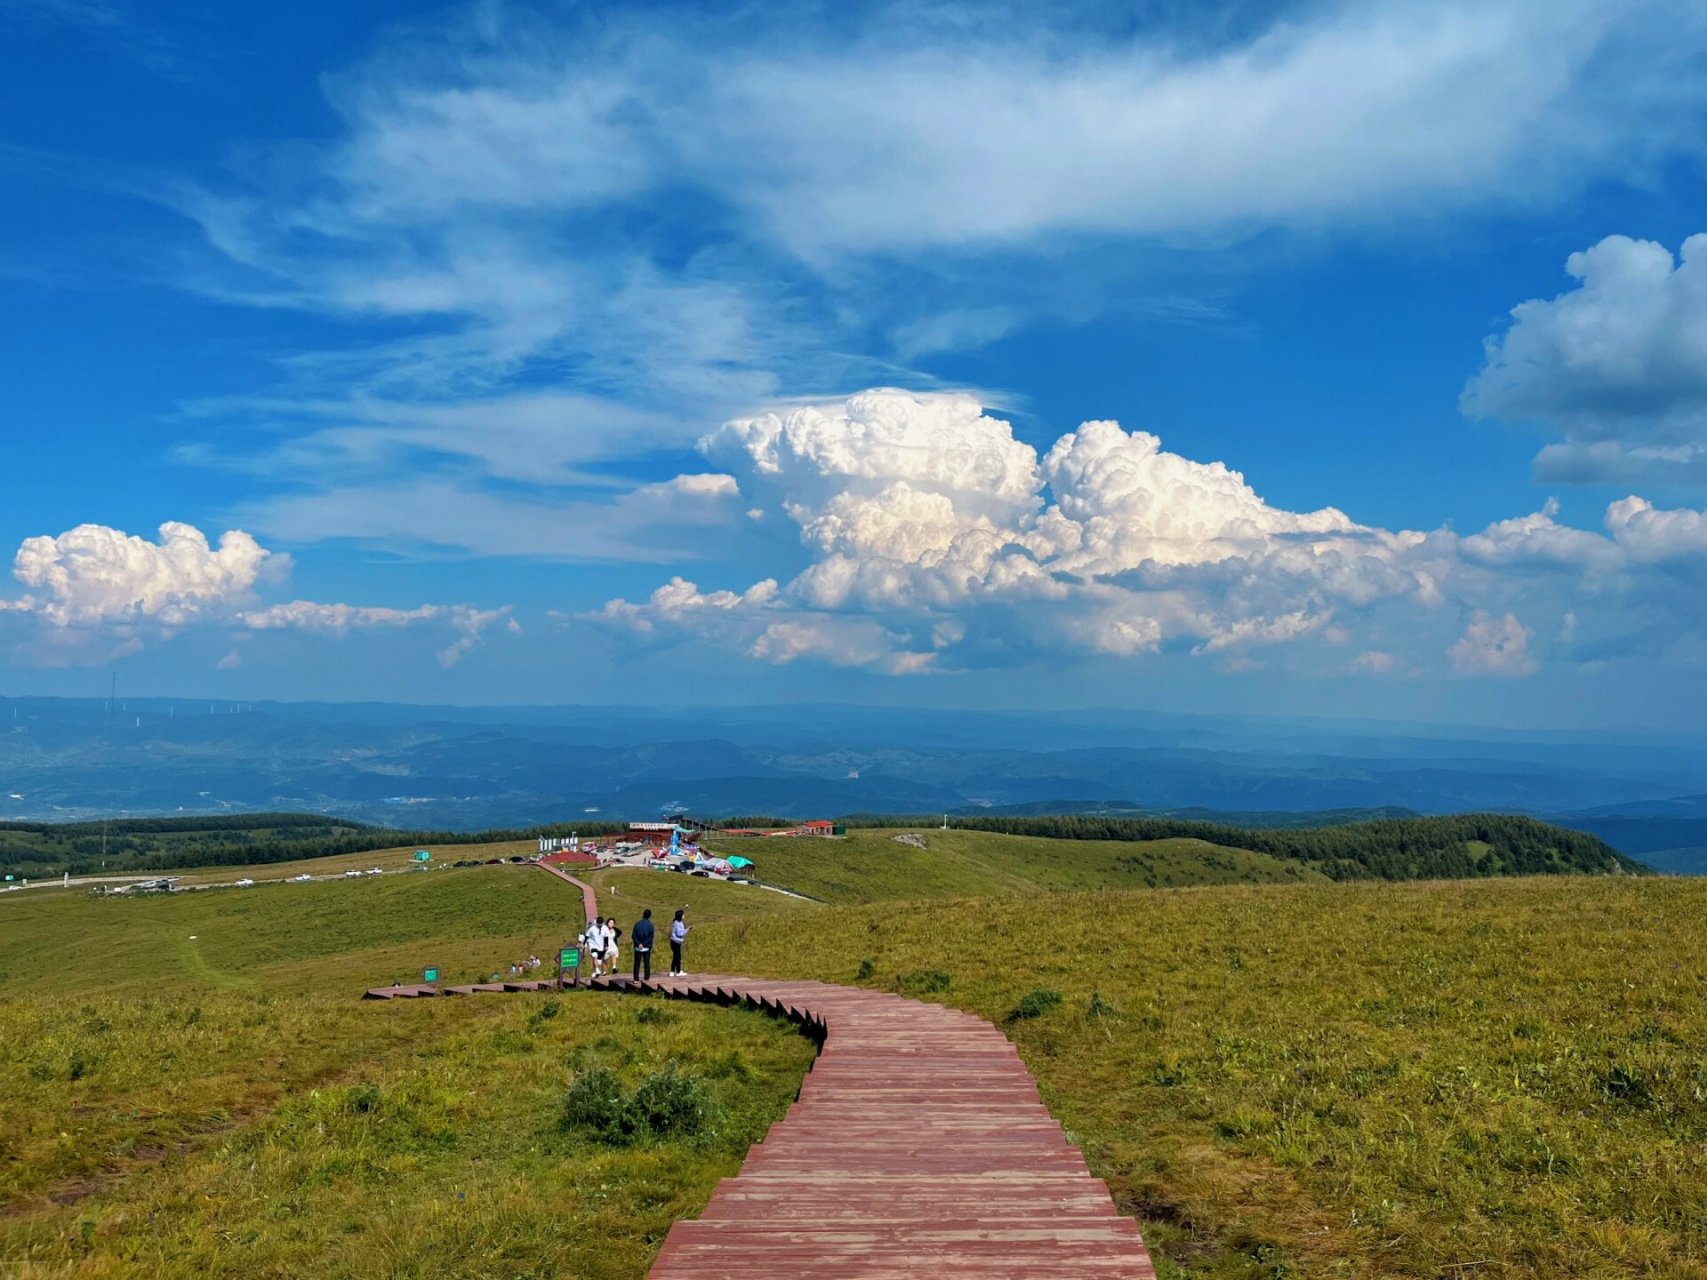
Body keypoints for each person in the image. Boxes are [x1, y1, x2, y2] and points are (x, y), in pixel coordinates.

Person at [631, 908, 655, 980]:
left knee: (637, 963)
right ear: (650, 916)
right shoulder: (650, 925)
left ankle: (636, 978)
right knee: (646, 963)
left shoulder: (637, 924)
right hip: (646, 947)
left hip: (637, 947)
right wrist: (644, 944)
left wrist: (638, 943)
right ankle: (646, 977)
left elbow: (633, 935)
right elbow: (651, 937)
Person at [669, 909, 689, 976]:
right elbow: (680, 933)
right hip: (676, 942)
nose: (684, 915)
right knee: (678, 957)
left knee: (675, 957)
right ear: (680, 916)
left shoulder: (678, 922)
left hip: (675, 942)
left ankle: (672, 971)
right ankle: (678, 971)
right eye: (683, 914)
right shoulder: (677, 923)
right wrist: (687, 930)